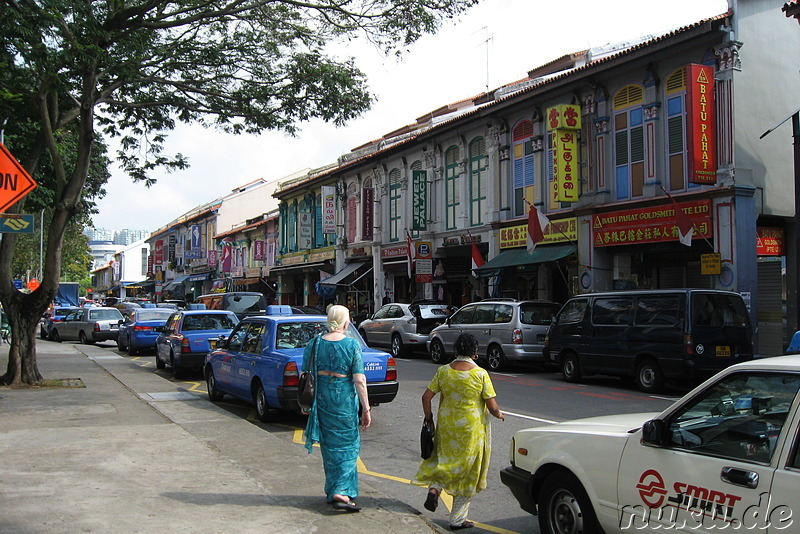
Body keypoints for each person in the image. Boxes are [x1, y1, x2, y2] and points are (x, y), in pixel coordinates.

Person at [412, 332, 504, 531]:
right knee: (467, 471)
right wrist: (499, 415)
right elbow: (492, 406)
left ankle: (435, 489)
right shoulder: (480, 374)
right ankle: (457, 519)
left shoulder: (444, 371)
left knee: (444, 461)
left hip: (447, 426)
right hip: (471, 430)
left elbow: (426, 397)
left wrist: (429, 420)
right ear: (474, 352)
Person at [302, 304, 372, 512]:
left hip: (322, 401)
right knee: (349, 447)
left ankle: (333, 489)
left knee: (329, 448)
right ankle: (341, 491)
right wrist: (366, 408)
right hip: (344, 403)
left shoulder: (314, 344)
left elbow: (305, 374)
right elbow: (359, 380)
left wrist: (306, 403)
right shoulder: (351, 345)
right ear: (346, 322)